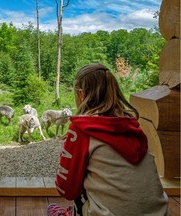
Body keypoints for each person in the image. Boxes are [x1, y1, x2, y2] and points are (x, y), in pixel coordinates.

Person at [47, 63, 169, 216]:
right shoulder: (133, 126)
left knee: (79, 188)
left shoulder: (82, 129)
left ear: (81, 94)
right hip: (160, 213)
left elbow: (66, 189)